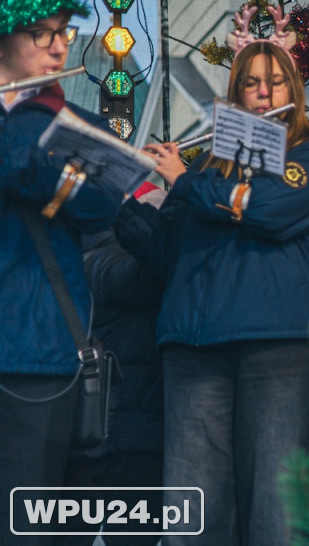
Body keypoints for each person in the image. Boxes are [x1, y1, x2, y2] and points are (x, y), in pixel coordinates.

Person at [115, 7, 309, 545]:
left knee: (276, 510)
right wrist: (118, 200)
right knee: (194, 509)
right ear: (236, 92)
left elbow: (270, 210)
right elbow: (166, 252)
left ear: (295, 88)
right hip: (195, 348)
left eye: (276, 81)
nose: (264, 92)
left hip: (278, 346)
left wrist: (190, 182)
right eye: (252, 83)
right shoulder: (206, 166)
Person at [0, 0, 124, 545]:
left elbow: (105, 205)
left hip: (38, 348)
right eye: (42, 33)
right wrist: (59, 180)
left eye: (64, 33)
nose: (59, 46)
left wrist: (49, 173)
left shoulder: (70, 115)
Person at [62, 183, 168, 546]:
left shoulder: (87, 251)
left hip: (119, 426)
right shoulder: (106, 255)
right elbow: (140, 275)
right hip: (124, 428)